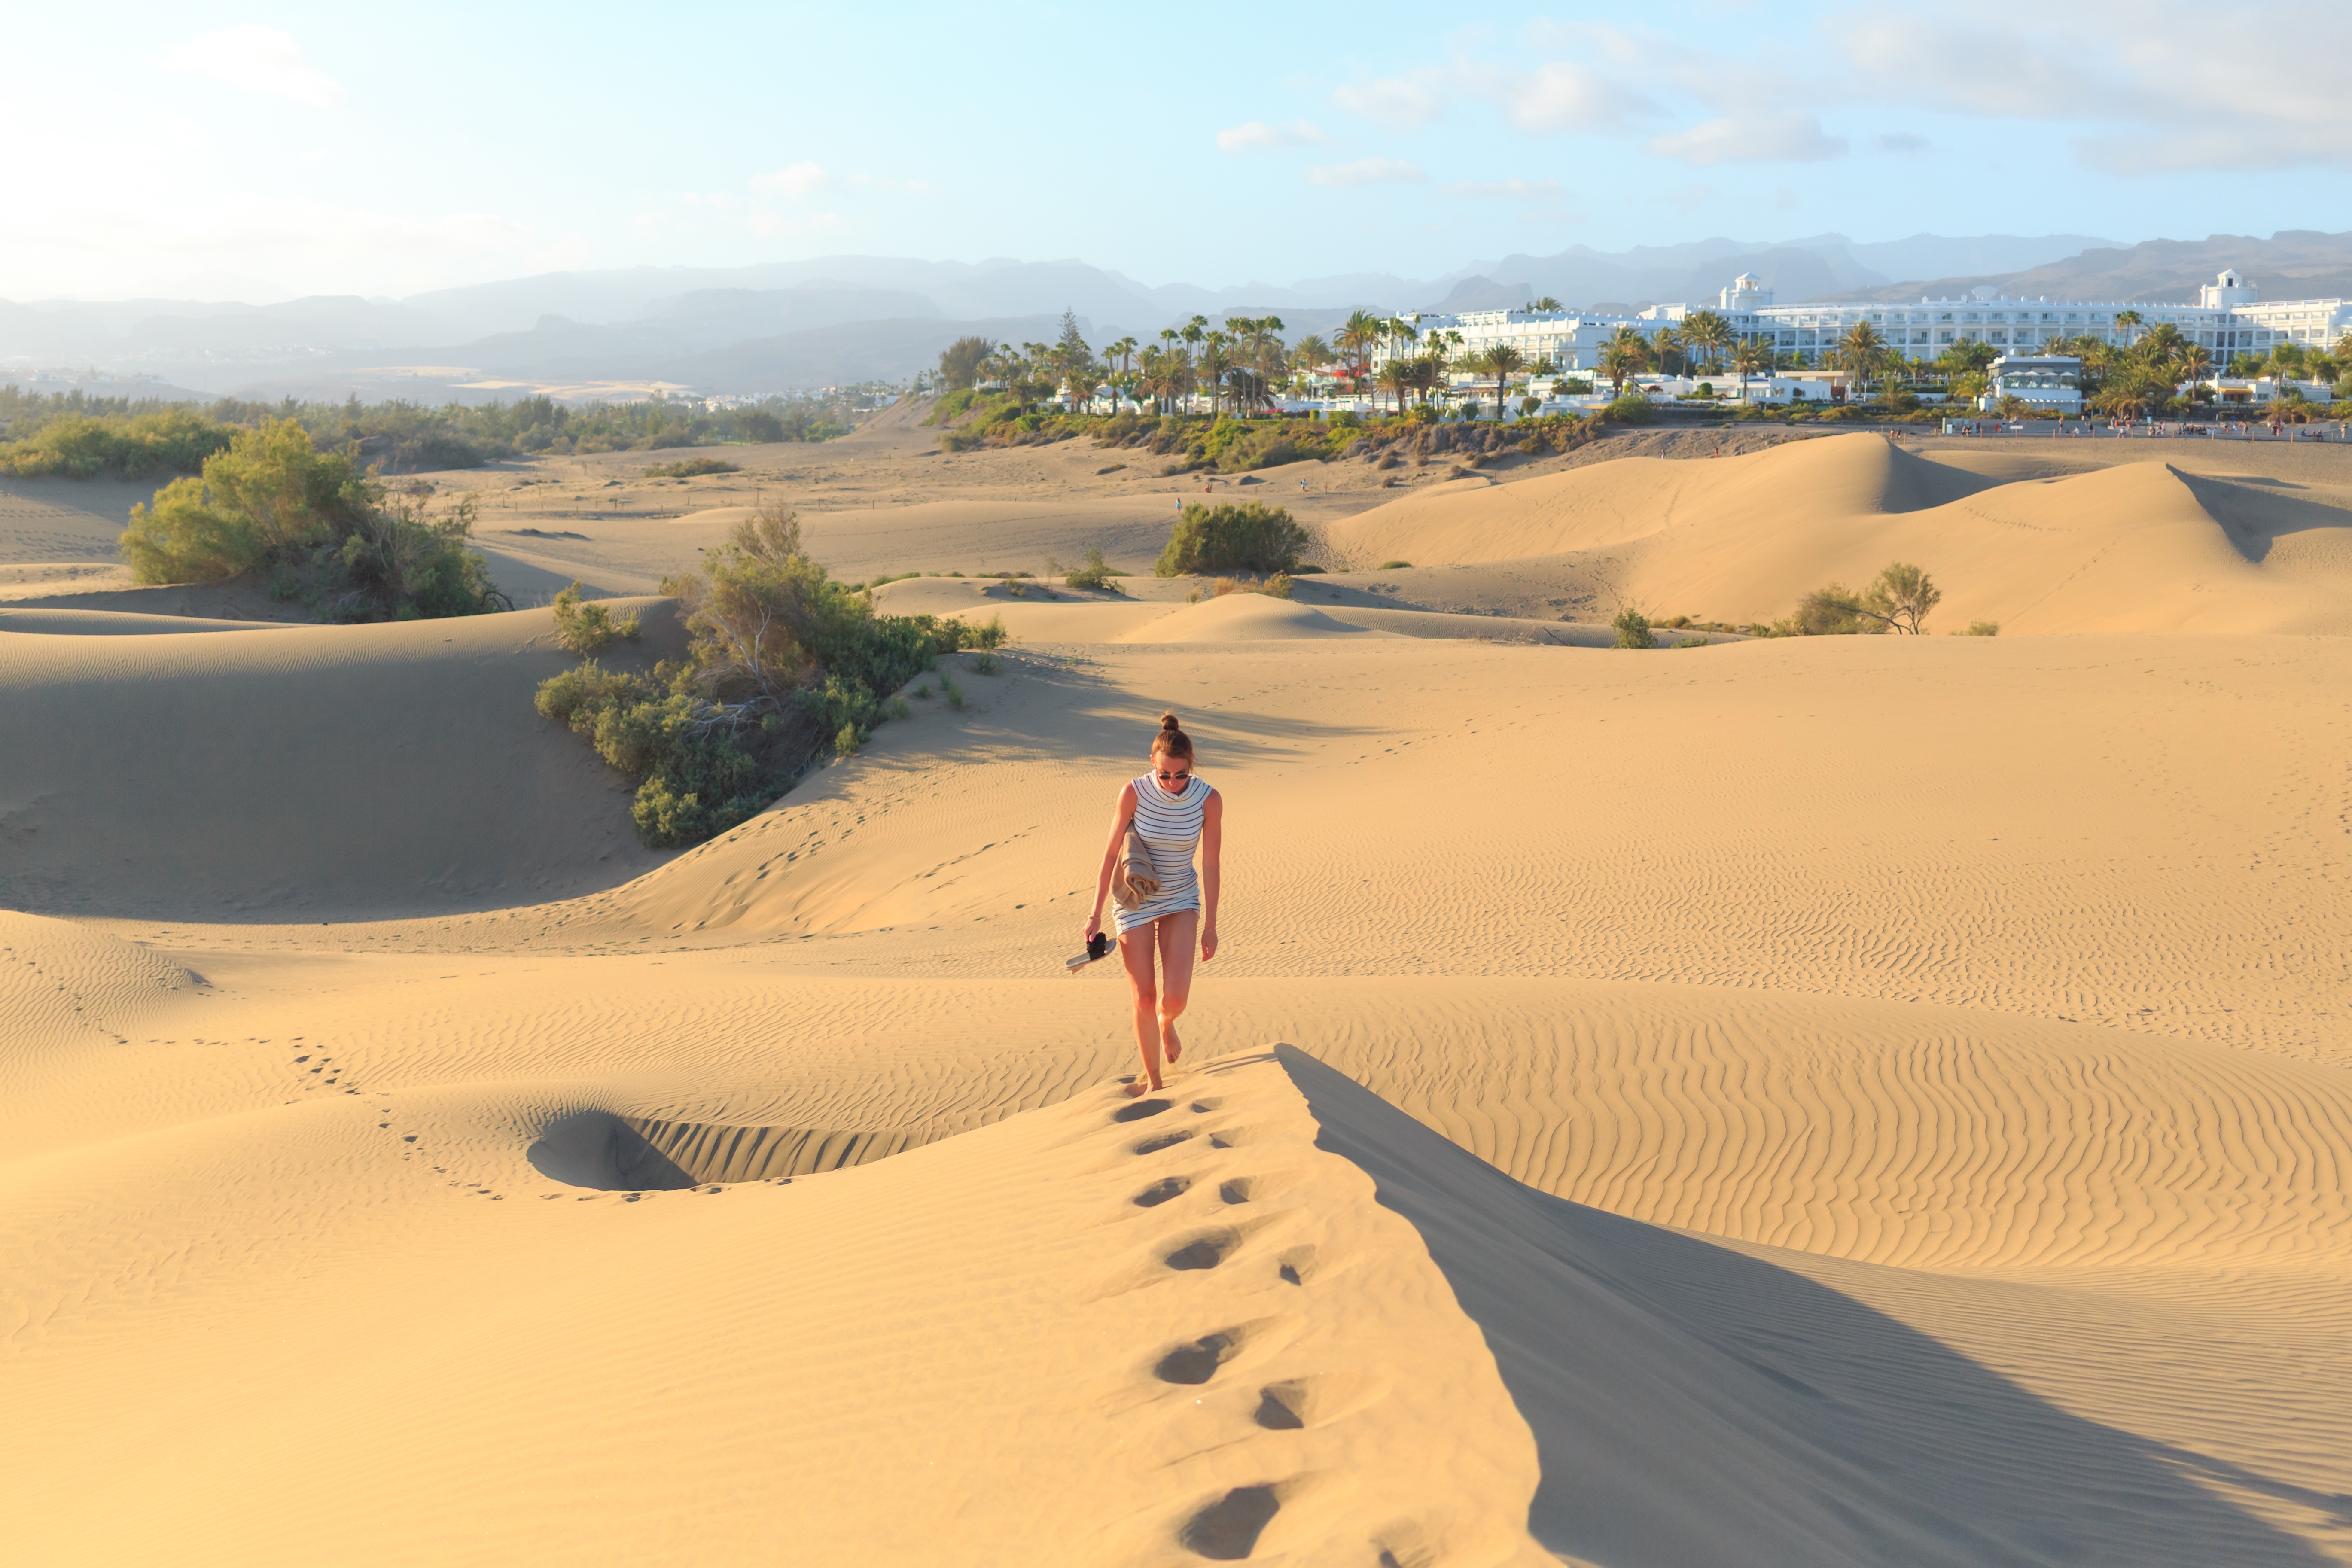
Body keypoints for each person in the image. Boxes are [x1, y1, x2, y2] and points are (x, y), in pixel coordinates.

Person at [1084, 713, 1222, 1097]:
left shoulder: (1209, 800)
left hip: (1181, 898)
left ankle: (1167, 1022)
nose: (1172, 783)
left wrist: (1211, 924)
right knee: (1143, 996)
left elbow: (1211, 863)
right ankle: (1155, 1083)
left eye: (1180, 775)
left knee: (1175, 997)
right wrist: (1095, 914)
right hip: (1135, 900)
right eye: (1164, 774)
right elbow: (1110, 853)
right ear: (1152, 762)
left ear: (1191, 766)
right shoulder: (1133, 793)